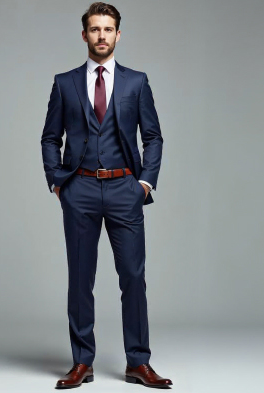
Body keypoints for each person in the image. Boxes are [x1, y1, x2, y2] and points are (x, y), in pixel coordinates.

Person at [40, 2, 172, 389]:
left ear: (118, 35)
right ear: (84, 35)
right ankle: (82, 362)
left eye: (108, 29)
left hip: (123, 189)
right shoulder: (64, 83)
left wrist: (144, 183)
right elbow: (50, 137)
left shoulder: (136, 82)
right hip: (78, 188)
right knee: (80, 280)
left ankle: (138, 362)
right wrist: (56, 180)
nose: (101, 35)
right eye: (94, 29)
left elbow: (153, 136)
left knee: (133, 276)